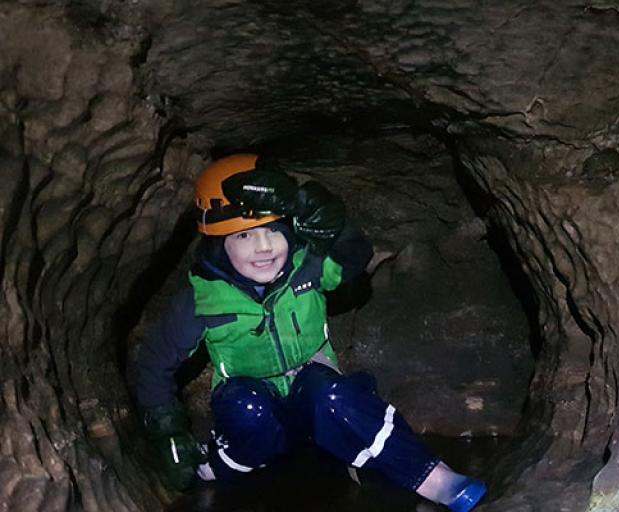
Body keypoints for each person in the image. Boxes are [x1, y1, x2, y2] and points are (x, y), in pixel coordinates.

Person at [132, 154, 487, 511]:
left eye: (274, 229)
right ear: (217, 244)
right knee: (248, 408)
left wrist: (334, 226)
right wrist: (167, 428)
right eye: (244, 234)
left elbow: (354, 257)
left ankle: (435, 479)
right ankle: (216, 467)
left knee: (331, 394)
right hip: (253, 407)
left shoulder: (307, 267)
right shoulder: (202, 300)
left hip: (315, 392)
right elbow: (153, 364)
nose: (264, 247)